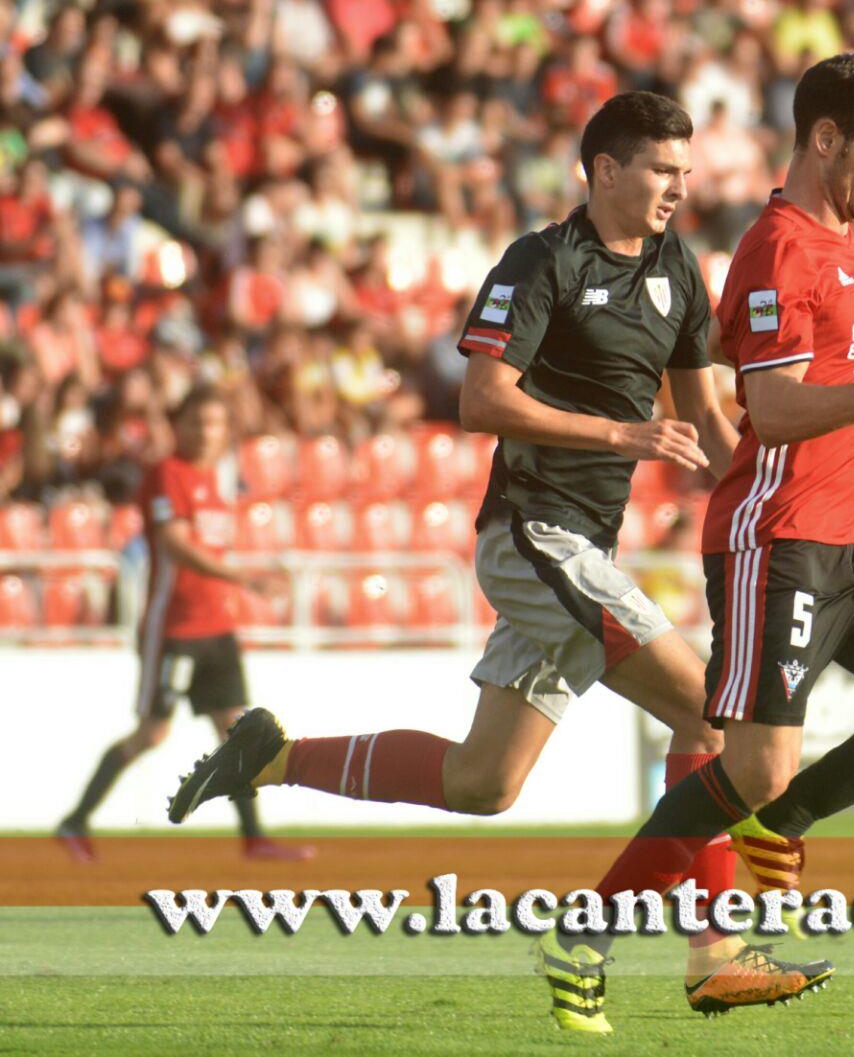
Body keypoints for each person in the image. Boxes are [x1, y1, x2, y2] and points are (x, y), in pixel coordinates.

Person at [163, 94, 811, 1008]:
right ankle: (712, 952)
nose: (680, 186)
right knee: (710, 717)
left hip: (585, 545)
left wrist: (826, 422)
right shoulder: (542, 261)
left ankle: (275, 756)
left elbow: (707, 417)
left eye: (686, 170)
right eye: (663, 170)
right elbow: (480, 401)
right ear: (606, 171)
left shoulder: (676, 269)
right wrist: (623, 438)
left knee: (484, 780)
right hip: (533, 534)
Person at [540, 53, 854, 1034]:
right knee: (749, 765)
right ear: (824, 139)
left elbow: (767, 370)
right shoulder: (781, 248)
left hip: (849, 534)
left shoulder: (844, 242)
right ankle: (582, 931)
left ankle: (784, 823)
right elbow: (772, 407)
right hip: (779, 539)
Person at [55, 386, 308, 863]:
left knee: (236, 734)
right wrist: (244, 578)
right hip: (175, 630)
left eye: (214, 423)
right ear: (178, 426)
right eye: (196, 422)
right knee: (152, 732)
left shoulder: (212, 480)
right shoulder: (166, 474)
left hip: (216, 627)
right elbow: (174, 545)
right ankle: (75, 820)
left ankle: (254, 838)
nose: (205, 432)